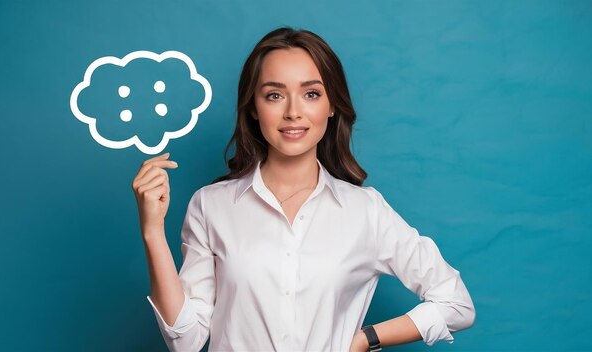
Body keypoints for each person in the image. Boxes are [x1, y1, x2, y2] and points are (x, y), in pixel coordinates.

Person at [131, 27, 475, 352]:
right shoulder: (210, 206)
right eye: (275, 95)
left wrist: (365, 339)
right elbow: (185, 340)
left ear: (331, 106)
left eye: (311, 94)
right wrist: (152, 231)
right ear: (253, 107)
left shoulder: (365, 211)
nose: (293, 112)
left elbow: (456, 303)